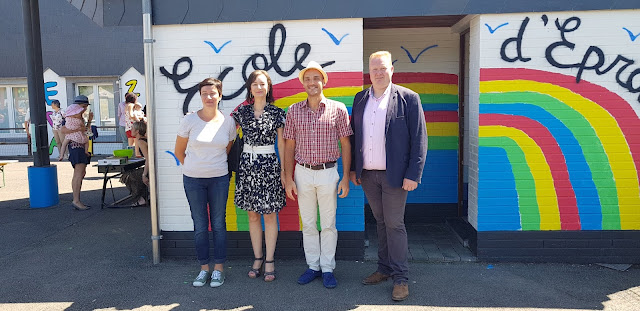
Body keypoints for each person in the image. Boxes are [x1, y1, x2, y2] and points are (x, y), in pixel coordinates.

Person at [349, 51, 428, 301]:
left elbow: (419, 139)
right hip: (369, 175)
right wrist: (354, 169)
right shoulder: (360, 99)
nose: (379, 73)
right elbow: (355, 137)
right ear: (369, 73)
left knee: (394, 223)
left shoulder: (408, 98)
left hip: (396, 176)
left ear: (392, 69)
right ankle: (384, 268)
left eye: (383, 68)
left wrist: (413, 174)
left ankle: (401, 278)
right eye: (374, 69)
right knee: (381, 222)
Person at [283, 61, 352, 289]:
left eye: (316, 78)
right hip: (303, 173)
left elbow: (346, 144)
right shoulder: (293, 110)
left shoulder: (338, 109)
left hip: (328, 173)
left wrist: (344, 177)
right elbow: (289, 146)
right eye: (308, 79)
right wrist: (288, 177)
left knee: (329, 223)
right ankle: (313, 266)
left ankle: (328, 268)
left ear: (324, 81)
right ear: (303, 83)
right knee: (309, 223)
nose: (312, 83)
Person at [174, 77, 236, 288]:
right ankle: (203, 269)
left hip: (219, 179)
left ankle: (219, 269)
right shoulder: (189, 120)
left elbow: (226, 149)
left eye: (213, 93)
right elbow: (179, 151)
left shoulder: (228, 121)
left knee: (218, 224)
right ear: (200, 96)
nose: (209, 97)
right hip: (193, 181)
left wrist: (211, 166)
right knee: (200, 225)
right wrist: (194, 167)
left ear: (220, 95)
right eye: (204, 94)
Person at [231, 70, 286, 282]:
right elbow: (225, 133)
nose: (259, 87)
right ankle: (257, 258)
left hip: (269, 165)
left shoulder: (277, 113)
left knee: (270, 214)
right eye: (255, 84)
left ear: (268, 87)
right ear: (250, 88)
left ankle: (270, 260)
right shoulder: (241, 113)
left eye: (262, 83)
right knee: (253, 214)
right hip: (247, 166)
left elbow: (281, 143)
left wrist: (283, 171)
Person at [60, 95, 93, 211]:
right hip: (76, 144)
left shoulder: (80, 117)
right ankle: (76, 200)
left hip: (81, 144)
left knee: (81, 172)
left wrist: (88, 121)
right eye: (83, 107)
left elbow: (86, 131)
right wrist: (78, 129)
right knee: (78, 173)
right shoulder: (70, 116)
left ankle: (77, 199)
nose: (84, 109)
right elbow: (63, 130)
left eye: (85, 107)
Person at [119, 121, 149, 207]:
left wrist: (144, 174)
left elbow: (148, 159)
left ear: (137, 131)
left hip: (150, 168)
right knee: (133, 174)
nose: (130, 129)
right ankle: (142, 196)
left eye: (132, 128)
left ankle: (139, 198)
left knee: (127, 176)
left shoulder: (141, 142)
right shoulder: (144, 139)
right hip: (149, 166)